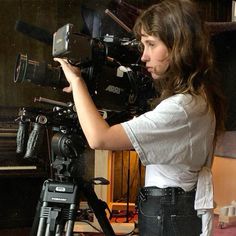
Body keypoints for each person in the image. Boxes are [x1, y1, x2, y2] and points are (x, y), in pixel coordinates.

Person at [54, 0, 225, 235]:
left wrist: (76, 82)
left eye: (151, 44)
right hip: (173, 211)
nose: (144, 56)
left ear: (178, 46)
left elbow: (99, 139)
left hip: (168, 216)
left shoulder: (182, 107)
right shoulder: (196, 99)